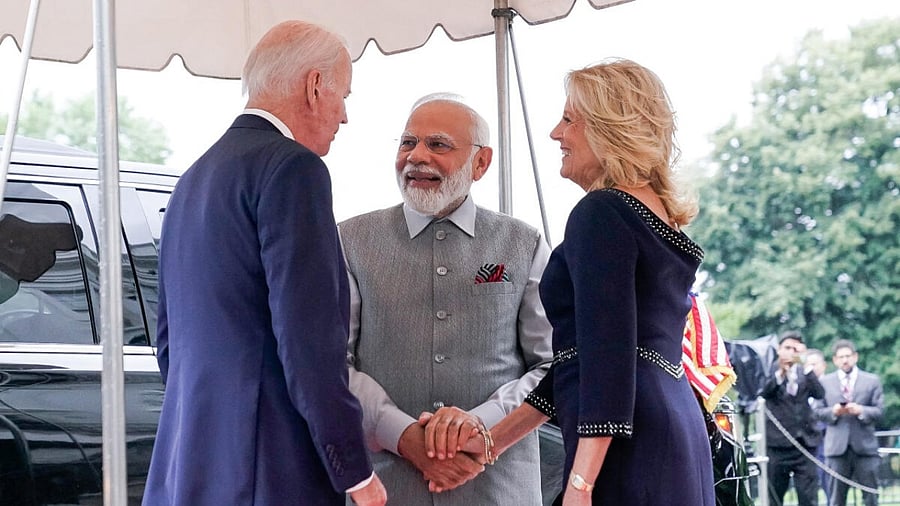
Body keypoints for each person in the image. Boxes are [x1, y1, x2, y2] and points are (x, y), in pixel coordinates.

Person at [433, 58, 716, 505]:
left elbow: (606, 360)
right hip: (673, 427)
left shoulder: (601, 212)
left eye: (569, 119)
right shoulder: (655, 214)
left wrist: (581, 485)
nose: (555, 133)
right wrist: (491, 444)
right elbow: (580, 361)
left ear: (607, 127)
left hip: (627, 446)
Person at [143, 21, 386, 506]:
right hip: (270, 468)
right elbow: (309, 340)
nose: (344, 117)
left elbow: (167, 340)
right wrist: (355, 471)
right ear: (314, 87)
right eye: (344, 96)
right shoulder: (295, 170)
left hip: (189, 463)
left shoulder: (191, 179)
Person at [339, 92, 553, 505]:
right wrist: (402, 434)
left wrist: (479, 427)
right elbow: (332, 364)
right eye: (408, 142)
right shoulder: (349, 241)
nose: (416, 157)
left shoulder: (524, 243)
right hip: (386, 489)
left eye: (438, 144)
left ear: (481, 162)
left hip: (498, 489)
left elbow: (553, 366)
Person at [814, 339, 884, 506]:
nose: (845, 360)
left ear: (855, 357)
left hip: (865, 448)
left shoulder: (872, 380)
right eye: (841, 357)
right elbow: (817, 412)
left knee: (871, 497)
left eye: (848, 356)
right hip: (837, 449)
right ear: (835, 360)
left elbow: (880, 411)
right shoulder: (824, 383)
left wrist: (861, 410)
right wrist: (834, 411)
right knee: (836, 499)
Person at [760, 331, 825, 506]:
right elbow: (763, 393)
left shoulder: (805, 372)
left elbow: (820, 393)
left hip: (805, 443)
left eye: (795, 349)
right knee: (775, 496)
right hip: (777, 445)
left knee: (808, 497)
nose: (791, 352)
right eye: (787, 348)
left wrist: (807, 365)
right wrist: (781, 373)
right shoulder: (770, 369)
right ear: (779, 349)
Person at [805, 348, 831, 504]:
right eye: (808, 365)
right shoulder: (801, 386)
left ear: (823, 365)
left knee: (828, 480)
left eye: (814, 364)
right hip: (806, 441)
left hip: (826, 440)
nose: (811, 368)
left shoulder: (831, 385)